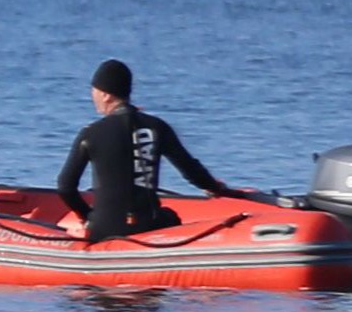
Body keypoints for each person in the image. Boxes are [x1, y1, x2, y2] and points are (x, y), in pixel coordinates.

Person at [56, 59, 265, 242]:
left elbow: (65, 187)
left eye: (93, 90)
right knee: (170, 217)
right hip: (149, 228)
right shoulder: (157, 127)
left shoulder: (91, 133)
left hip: (103, 230)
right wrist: (220, 191)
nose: (92, 96)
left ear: (106, 94)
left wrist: (87, 216)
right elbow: (191, 171)